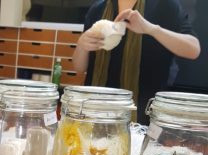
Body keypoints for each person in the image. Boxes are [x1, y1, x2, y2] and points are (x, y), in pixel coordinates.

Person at [73, 0, 201, 123]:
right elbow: (79, 67)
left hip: (142, 117)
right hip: (96, 114)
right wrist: (81, 44)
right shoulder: (98, 8)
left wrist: (151, 29)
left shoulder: (164, 5)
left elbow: (193, 49)